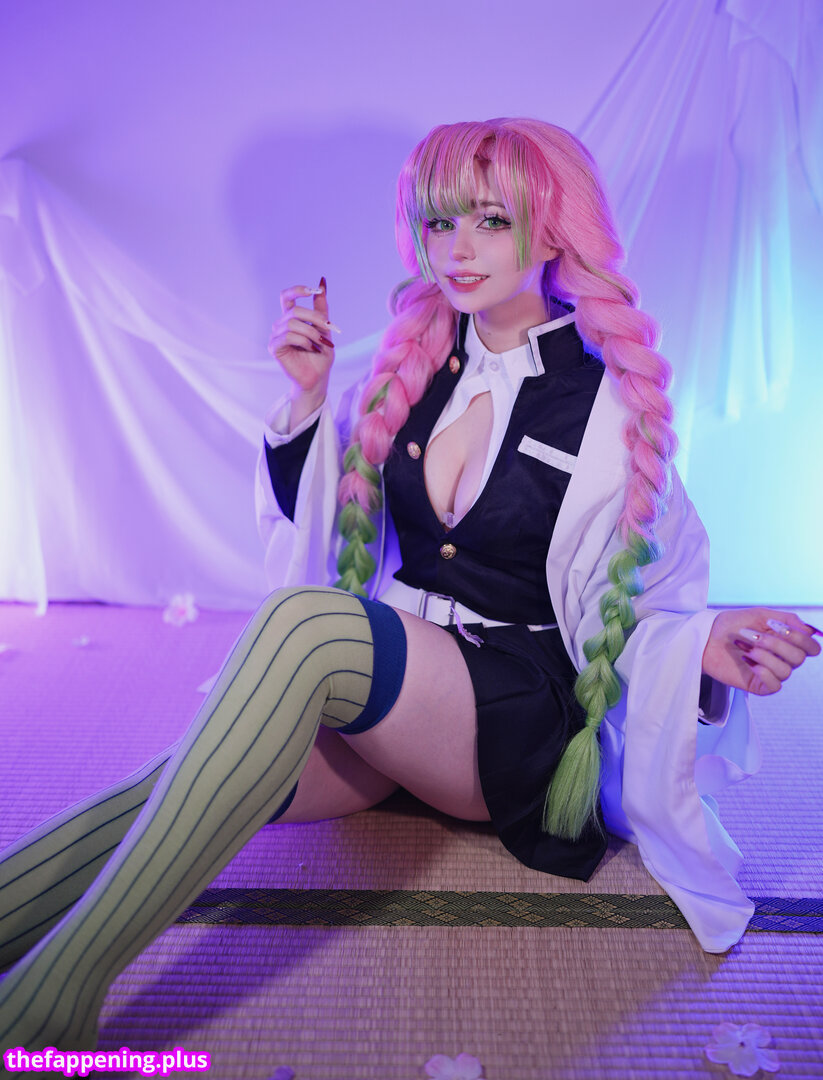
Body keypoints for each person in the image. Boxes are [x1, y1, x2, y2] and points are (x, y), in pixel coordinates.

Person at [0, 118, 818, 1055]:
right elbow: (324, 540)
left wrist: (706, 647)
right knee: (189, 777)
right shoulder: (411, 372)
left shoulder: (609, 412)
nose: (456, 248)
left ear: (553, 229)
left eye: (490, 220)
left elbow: (646, 604)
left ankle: (57, 999)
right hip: (404, 709)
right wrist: (308, 401)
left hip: (513, 724)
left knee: (308, 629)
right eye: (438, 222)